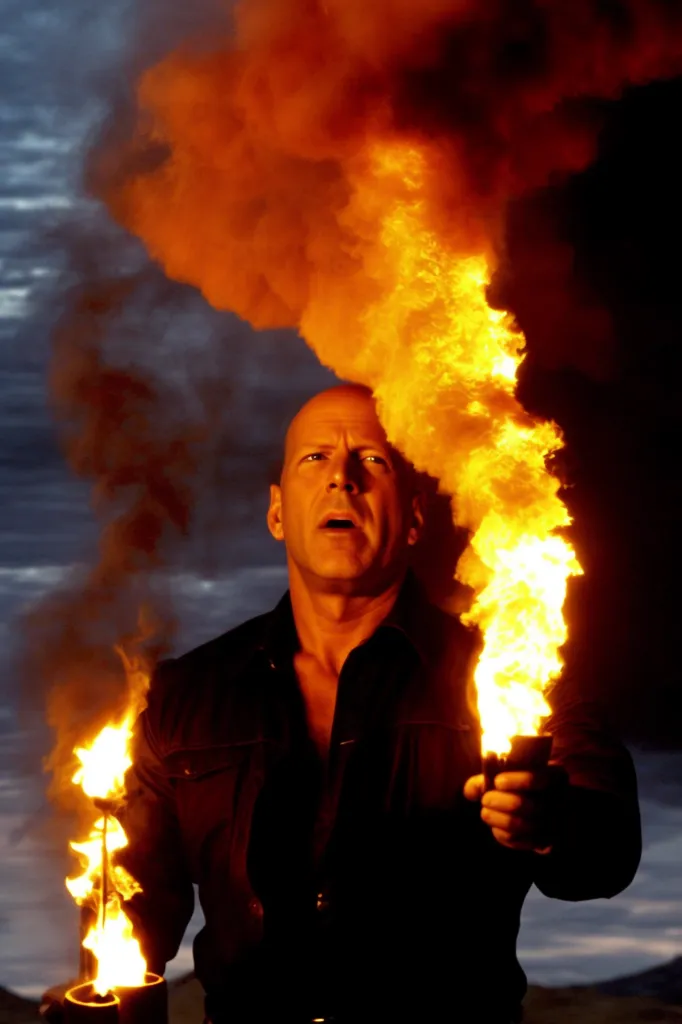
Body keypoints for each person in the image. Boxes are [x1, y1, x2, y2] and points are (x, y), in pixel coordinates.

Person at [119, 384, 642, 1024]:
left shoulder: (518, 675)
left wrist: (553, 825)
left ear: (416, 516)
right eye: (314, 458)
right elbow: (130, 906)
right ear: (277, 512)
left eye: (373, 460)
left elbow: (607, 855)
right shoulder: (182, 697)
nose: (342, 478)